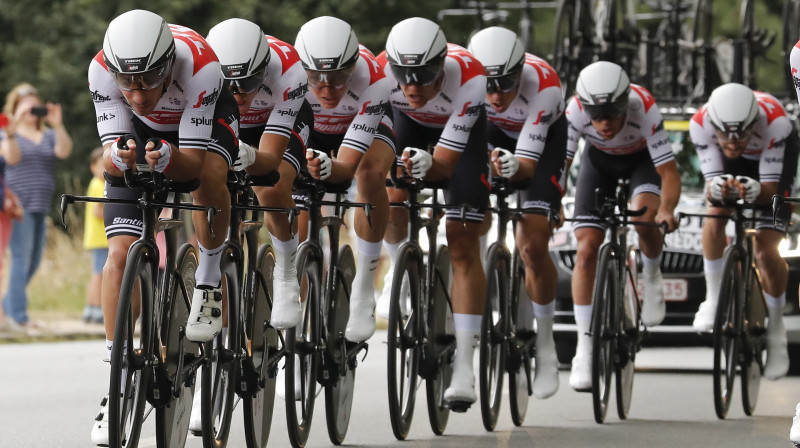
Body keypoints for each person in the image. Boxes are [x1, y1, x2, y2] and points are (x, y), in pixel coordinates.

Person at [88, 9, 238, 444]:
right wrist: (121, 158)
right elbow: (109, 160)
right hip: (146, 134)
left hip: (198, 124)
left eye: (149, 80)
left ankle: (208, 281)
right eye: (127, 82)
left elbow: (190, 169)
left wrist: (169, 159)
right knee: (118, 256)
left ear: (169, 64)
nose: (136, 94)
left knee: (209, 178)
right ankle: (116, 379)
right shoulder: (102, 70)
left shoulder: (201, 67)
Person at [378, 17, 488, 409]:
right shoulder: (383, 75)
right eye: (403, 77)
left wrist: (430, 165)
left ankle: (465, 365)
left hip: (461, 136)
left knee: (461, 242)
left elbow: (443, 166)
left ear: (442, 66)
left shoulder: (472, 79)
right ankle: (397, 269)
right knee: (388, 197)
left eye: (423, 77)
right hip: (408, 125)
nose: (411, 86)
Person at [565, 61, 680, 391]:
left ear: (624, 103)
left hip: (642, 163)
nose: (603, 123)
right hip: (598, 164)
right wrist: (553, 203)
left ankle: (652, 274)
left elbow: (669, 173)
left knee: (645, 219)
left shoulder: (642, 106)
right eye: (595, 116)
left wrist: (667, 210)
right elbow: (563, 163)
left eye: (611, 114)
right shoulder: (573, 111)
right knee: (586, 251)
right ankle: (584, 351)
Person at [467, 26, 567, 399]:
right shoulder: (467, 82)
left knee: (532, 242)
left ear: (520, 72)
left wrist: (511, 166)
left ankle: (545, 344)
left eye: (505, 85)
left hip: (541, 143)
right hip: (491, 134)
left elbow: (526, 167)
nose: (495, 95)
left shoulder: (545, 86)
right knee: (471, 215)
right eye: (487, 86)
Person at [206, 18, 312, 333]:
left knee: (271, 185)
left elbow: (268, 162)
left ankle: (286, 272)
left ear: (264, 71)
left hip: (276, 124)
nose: (238, 93)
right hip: (228, 121)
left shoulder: (290, 71)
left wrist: (252, 156)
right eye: (229, 84)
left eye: (248, 83)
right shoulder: (203, 70)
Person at [294, 16, 396, 342]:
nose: (327, 89)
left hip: (361, 131)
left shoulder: (375, 80)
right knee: (295, 209)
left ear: (353, 66)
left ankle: (365, 290)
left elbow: (346, 169)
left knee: (370, 173)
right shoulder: (290, 77)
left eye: (339, 78)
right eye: (317, 79)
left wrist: (329, 166)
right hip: (313, 130)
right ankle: (295, 320)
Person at [689, 83, 795, 381]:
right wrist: (720, 189)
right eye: (725, 135)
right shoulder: (700, 123)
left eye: (741, 134)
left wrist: (758, 190)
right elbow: (712, 187)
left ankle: (776, 330)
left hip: (769, 162)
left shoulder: (777, 123)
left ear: (754, 123)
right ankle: (712, 298)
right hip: (732, 165)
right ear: (713, 125)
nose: (734, 143)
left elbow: (771, 191)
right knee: (715, 214)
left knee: (765, 247)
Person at [1, 83, 73, 332]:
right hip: (18, 206)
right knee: (21, 260)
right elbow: (12, 159)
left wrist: (57, 124)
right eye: (26, 107)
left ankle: (7, 308)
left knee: (32, 262)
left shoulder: (48, 134)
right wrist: (11, 132)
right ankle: (19, 317)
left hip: (41, 204)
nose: (32, 110)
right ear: (16, 109)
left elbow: (64, 151)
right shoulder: (7, 134)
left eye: (35, 105)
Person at [83, 147, 107, 324]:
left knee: (96, 273)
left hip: (96, 238)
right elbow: (98, 212)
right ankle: (97, 307)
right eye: (101, 165)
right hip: (101, 238)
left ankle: (91, 308)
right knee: (100, 274)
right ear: (93, 167)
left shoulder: (94, 183)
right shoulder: (100, 185)